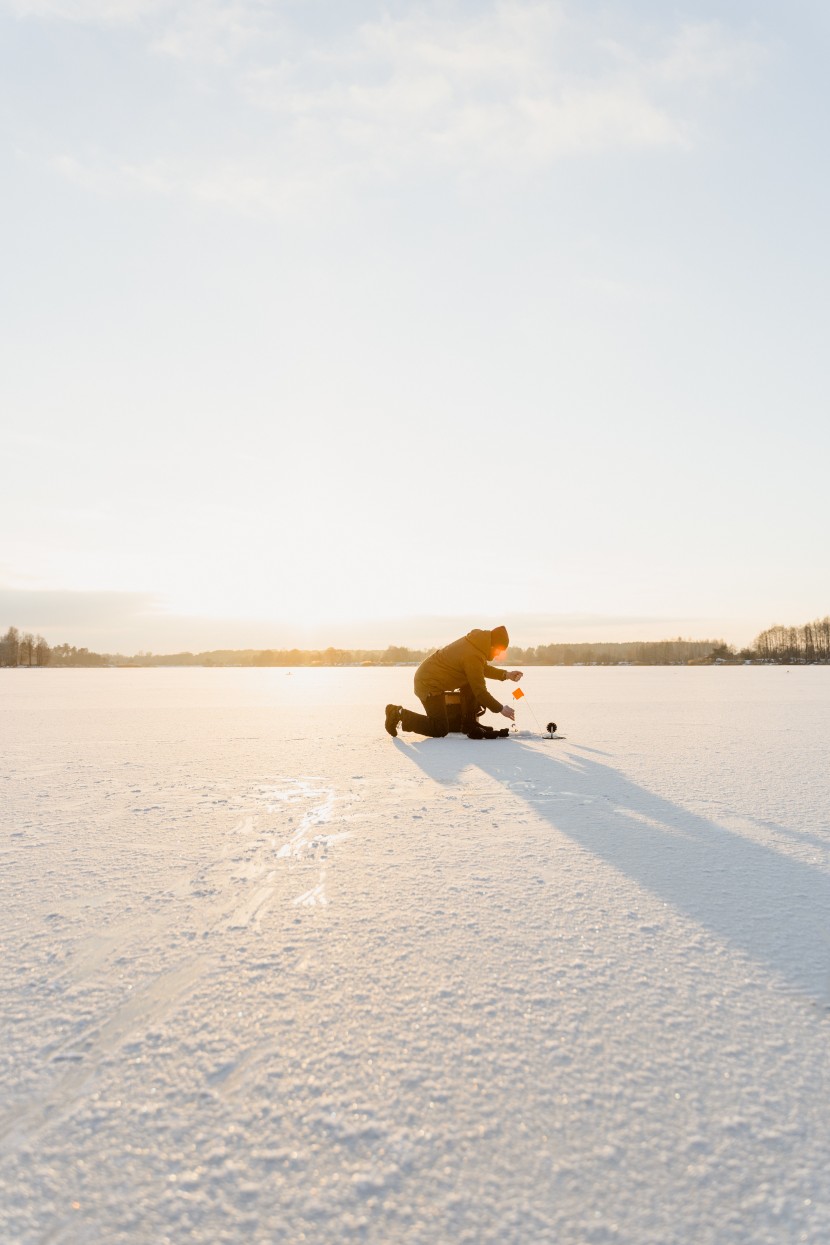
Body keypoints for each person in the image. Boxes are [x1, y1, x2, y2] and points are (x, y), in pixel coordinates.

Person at [385, 625, 523, 739]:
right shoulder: (473, 654)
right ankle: (398, 714)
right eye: (499, 650)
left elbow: (481, 669)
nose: (498, 654)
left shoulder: (476, 644)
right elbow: (480, 692)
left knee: (470, 682)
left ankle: (469, 724)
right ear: (492, 645)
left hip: (431, 677)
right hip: (428, 683)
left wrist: (507, 675)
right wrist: (501, 709)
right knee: (439, 728)